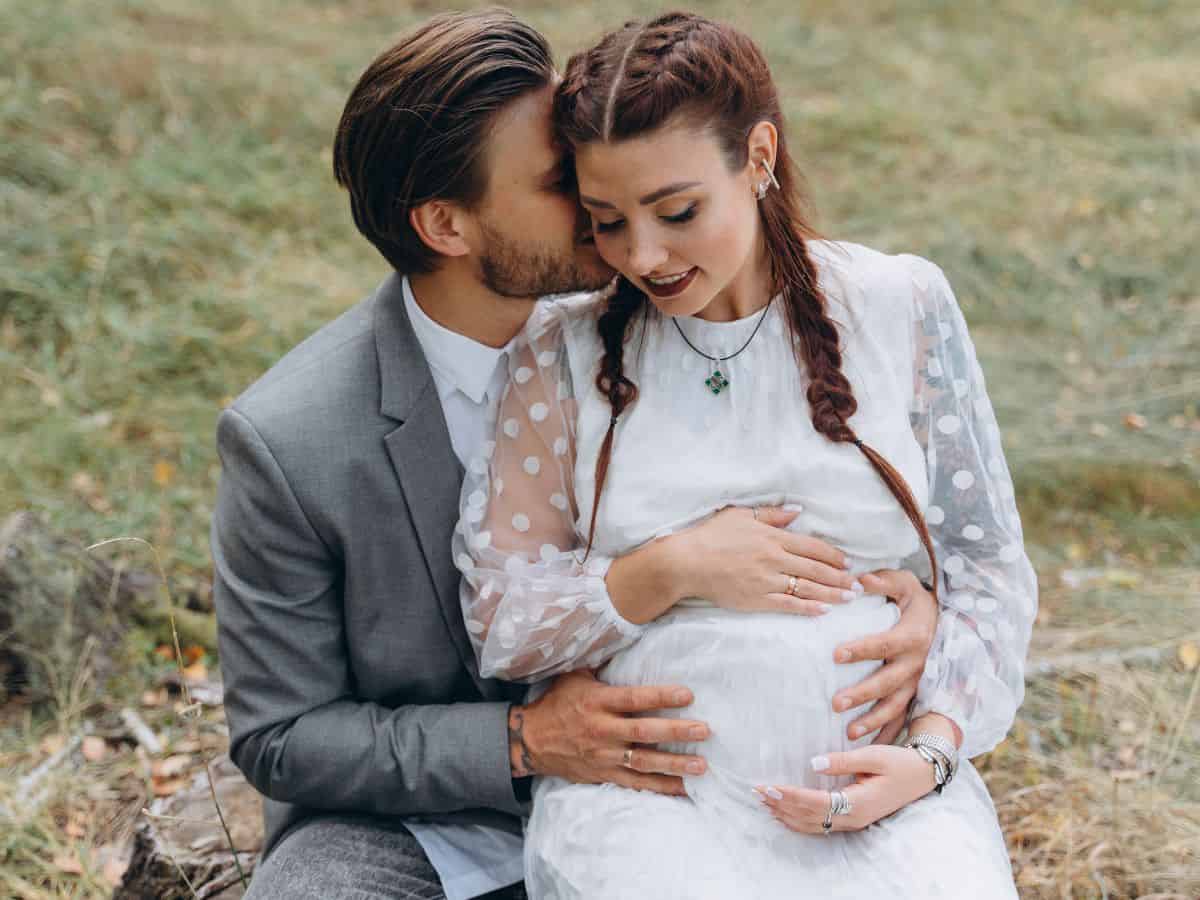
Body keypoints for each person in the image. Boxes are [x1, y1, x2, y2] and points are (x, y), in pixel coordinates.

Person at [213, 9, 940, 899]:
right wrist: (523, 743)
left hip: (703, 789)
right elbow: (281, 736)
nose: (609, 197)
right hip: (436, 823)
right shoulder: (291, 441)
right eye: (564, 178)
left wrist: (911, 610)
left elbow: (853, 504)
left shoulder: (682, 314)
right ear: (448, 225)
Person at [456, 10, 1038, 898]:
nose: (643, 255)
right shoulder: (558, 353)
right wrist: (670, 568)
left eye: (677, 211)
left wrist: (931, 752)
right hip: (656, 806)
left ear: (758, 157)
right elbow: (502, 616)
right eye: (607, 221)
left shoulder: (898, 304)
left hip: (880, 790)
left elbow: (988, 570)